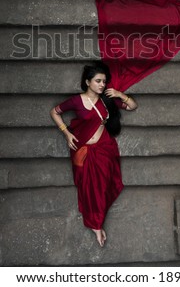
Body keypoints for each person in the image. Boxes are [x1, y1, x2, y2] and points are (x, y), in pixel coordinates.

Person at [50, 61, 137, 247]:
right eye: (98, 81)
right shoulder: (75, 101)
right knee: (86, 186)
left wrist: (120, 94)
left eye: (104, 81)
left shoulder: (107, 100)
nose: (102, 85)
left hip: (104, 149)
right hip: (81, 150)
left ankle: (97, 225)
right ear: (88, 81)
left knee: (102, 186)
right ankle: (95, 224)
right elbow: (54, 112)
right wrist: (66, 133)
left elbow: (132, 106)